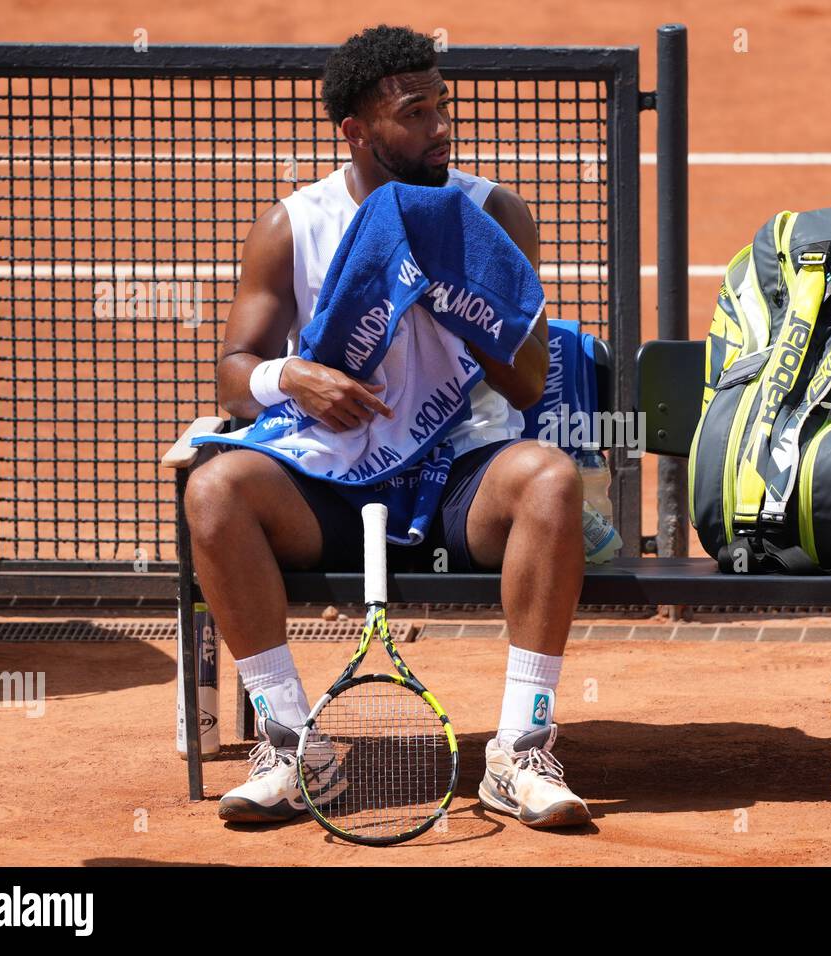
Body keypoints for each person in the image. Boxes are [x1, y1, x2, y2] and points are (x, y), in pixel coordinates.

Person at [183, 24, 591, 830]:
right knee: (215, 488)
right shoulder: (292, 225)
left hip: (460, 475)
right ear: (356, 131)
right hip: (330, 478)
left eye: (444, 106)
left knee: (550, 477)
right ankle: (294, 743)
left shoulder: (492, 213)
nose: (442, 127)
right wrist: (288, 376)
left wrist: (452, 285)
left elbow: (530, 379)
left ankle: (520, 748)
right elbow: (235, 375)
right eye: (416, 112)